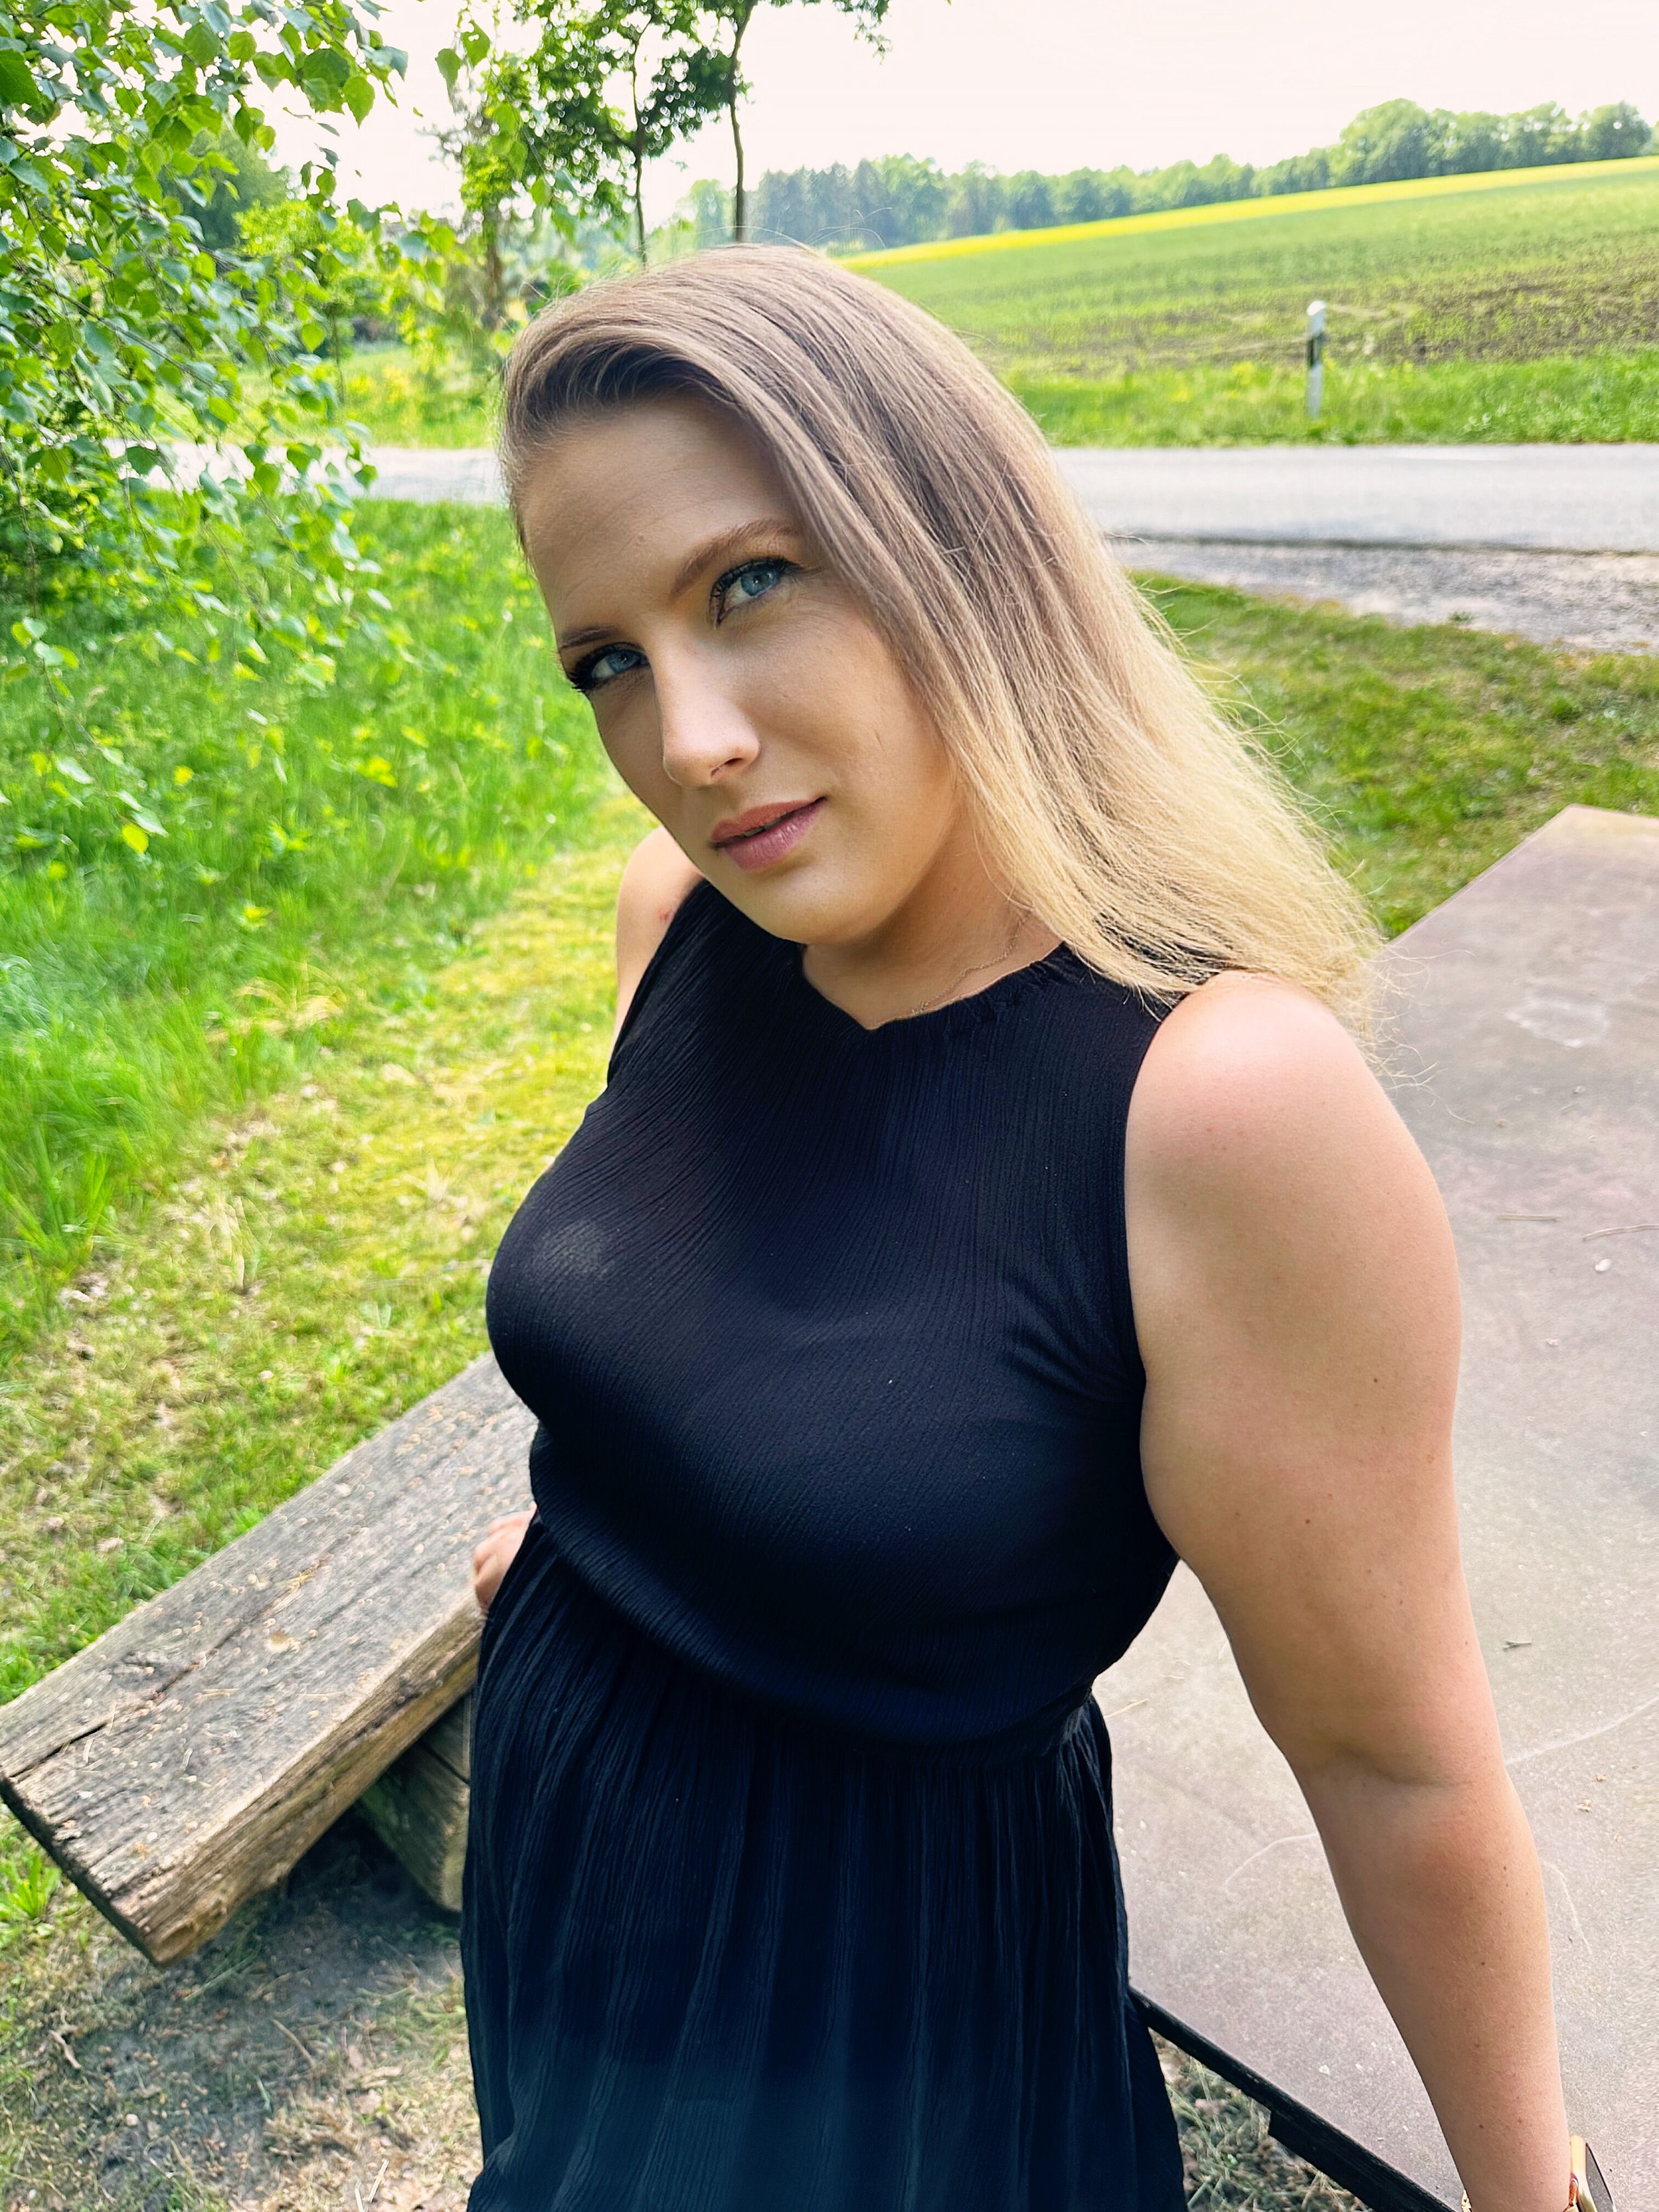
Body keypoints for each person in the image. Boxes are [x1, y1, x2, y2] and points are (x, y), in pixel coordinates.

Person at [462, 247, 1572, 2212]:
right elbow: (703, 1308)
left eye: (750, 583)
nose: (688, 740)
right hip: (567, 1864)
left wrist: (1531, 2196)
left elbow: (1390, 1761)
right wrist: (589, 1538)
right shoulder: (685, 917)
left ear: (959, 553)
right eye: (607, 660)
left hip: (870, 2019)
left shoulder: (1216, 1104)